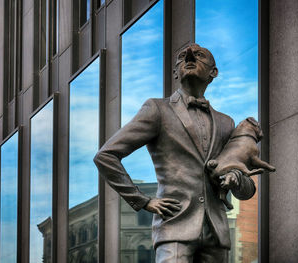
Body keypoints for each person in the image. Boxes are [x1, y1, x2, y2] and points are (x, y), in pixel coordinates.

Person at [94, 43, 256, 262]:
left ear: (213, 72)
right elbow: (105, 156)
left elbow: (246, 190)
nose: (189, 56)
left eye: (199, 55)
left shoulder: (226, 123)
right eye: (182, 56)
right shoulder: (157, 110)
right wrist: (142, 201)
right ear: (175, 72)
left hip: (216, 234)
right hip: (174, 228)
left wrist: (235, 178)